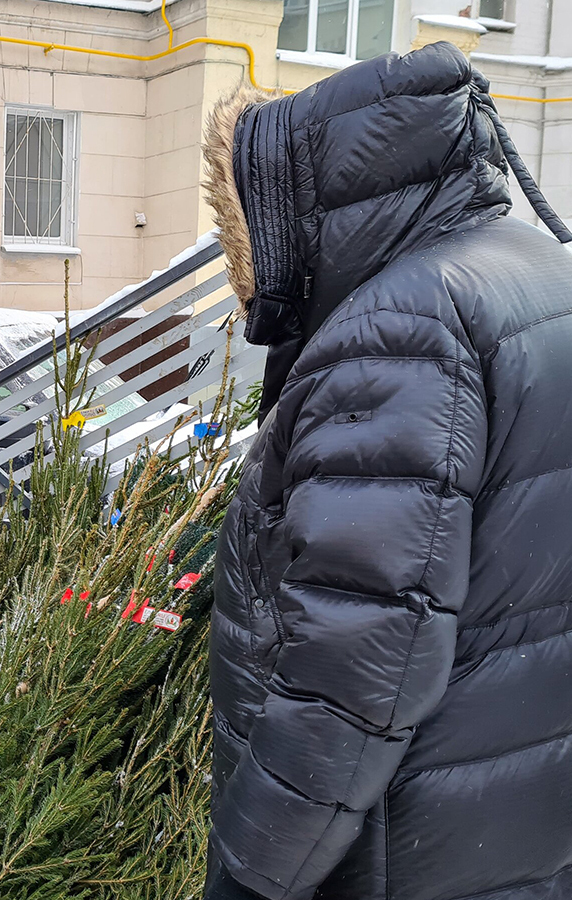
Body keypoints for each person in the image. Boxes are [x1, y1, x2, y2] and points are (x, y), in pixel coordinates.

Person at [201, 42, 572, 900]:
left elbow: (353, 674)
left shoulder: (402, 330)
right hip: (518, 825)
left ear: (284, 205)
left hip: (403, 853)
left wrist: (253, 873)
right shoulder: (535, 271)